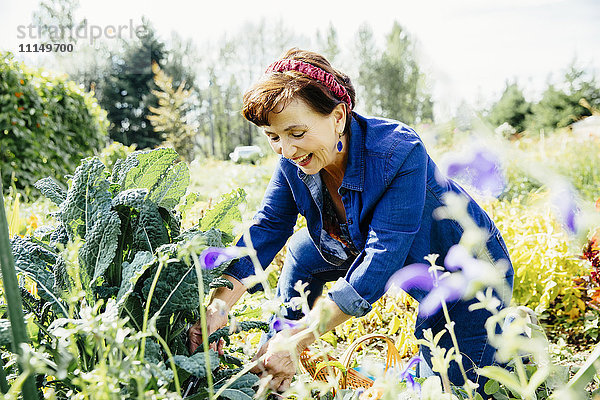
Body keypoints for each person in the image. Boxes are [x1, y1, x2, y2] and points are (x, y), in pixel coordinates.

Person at [188, 48, 514, 395]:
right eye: (273, 137)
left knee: (452, 386)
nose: (285, 150)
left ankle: (509, 342)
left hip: (470, 274)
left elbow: (380, 260)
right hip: (387, 255)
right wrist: (219, 306)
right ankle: (276, 351)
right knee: (303, 250)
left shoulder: (399, 152)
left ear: (338, 116)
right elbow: (267, 228)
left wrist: (299, 339)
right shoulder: (294, 162)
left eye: (297, 133)